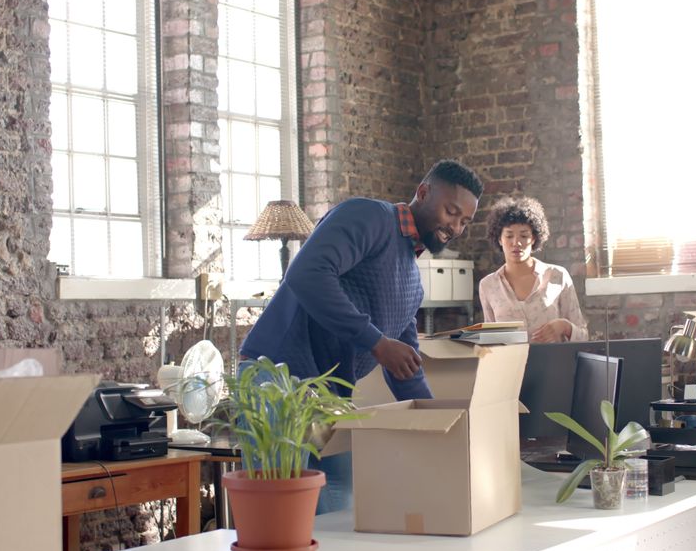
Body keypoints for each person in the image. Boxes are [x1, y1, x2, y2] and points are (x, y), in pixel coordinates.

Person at [238, 159, 483, 512]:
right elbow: (307, 273)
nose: (456, 227)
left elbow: (405, 367)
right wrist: (377, 342)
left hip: (328, 401)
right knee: (278, 517)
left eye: (465, 221)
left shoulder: (413, 283)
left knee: (336, 512)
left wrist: (441, 423)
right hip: (278, 381)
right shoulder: (369, 217)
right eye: (451, 211)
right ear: (423, 192)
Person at [479, 196, 589, 343]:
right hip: (511, 365)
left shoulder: (558, 276)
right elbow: (490, 343)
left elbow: (583, 336)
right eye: (509, 235)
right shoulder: (488, 285)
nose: (516, 243)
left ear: (534, 239)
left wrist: (565, 327)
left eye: (524, 236)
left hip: (554, 364)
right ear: (499, 239)